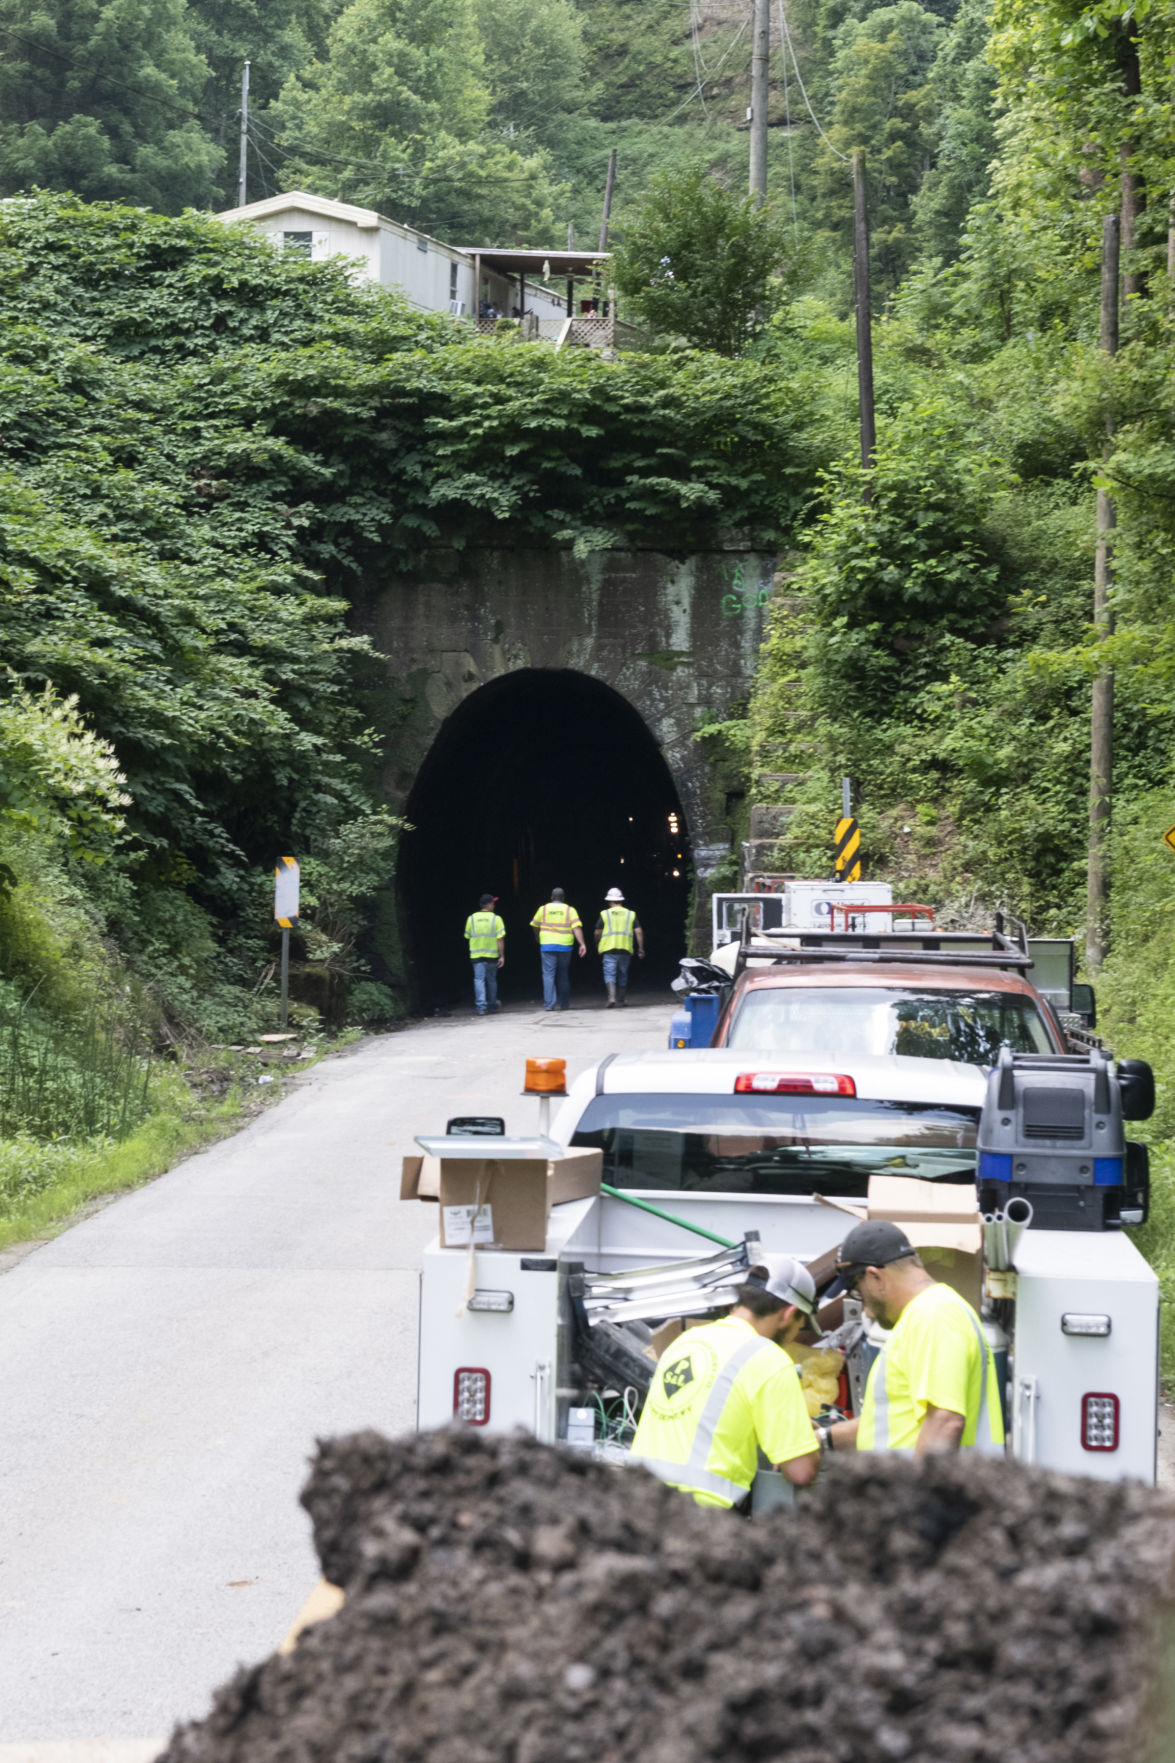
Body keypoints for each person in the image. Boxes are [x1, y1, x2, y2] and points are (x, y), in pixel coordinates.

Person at [630, 1255, 821, 1509]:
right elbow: (801, 1471)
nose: (796, 1335)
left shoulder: (687, 1341)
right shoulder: (770, 1359)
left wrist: (782, 1427)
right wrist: (805, 1440)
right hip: (699, 1517)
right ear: (789, 1314)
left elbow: (707, 1419)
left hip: (635, 1503)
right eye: (801, 1325)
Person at [817, 1220, 1004, 1459]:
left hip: (928, 1493)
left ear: (875, 1277)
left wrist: (914, 1496)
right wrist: (824, 1438)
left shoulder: (934, 1316)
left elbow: (945, 1423)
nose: (864, 1307)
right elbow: (891, 1423)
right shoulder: (929, 1314)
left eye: (857, 1290)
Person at [529, 888, 586, 1012]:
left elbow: (534, 924)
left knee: (548, 975)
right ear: (563, 898)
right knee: (563, 974)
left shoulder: (543, 909)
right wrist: (582, 944)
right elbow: (577, 928)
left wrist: (537, 936)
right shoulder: (570, 910)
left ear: (551, 897)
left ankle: (549, 1004)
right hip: (565, 946)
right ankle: (564, 1004)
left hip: (547, 945)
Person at [593, 887, 644, 1007]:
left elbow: (597, 932)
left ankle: (611, 997)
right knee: (623, 973)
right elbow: (639, 932)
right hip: (625, 949)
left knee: (609, 973)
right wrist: (640, 948)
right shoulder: (631, 914)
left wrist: (597, 943)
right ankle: (621, 998)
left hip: (609, 949)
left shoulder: (605, 914)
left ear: (610, 901)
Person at [463, 893, 505, 1016]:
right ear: (488, 904)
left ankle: (481, 1007)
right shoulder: (496, 919)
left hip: (476, 956)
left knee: (479, 980)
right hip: (491, 955)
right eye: (493, 902)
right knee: (491, 980)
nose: (494, 904)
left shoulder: (471, 918)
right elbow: (500, 939)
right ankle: (492, 1005)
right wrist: (502, 955)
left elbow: (467, 935)